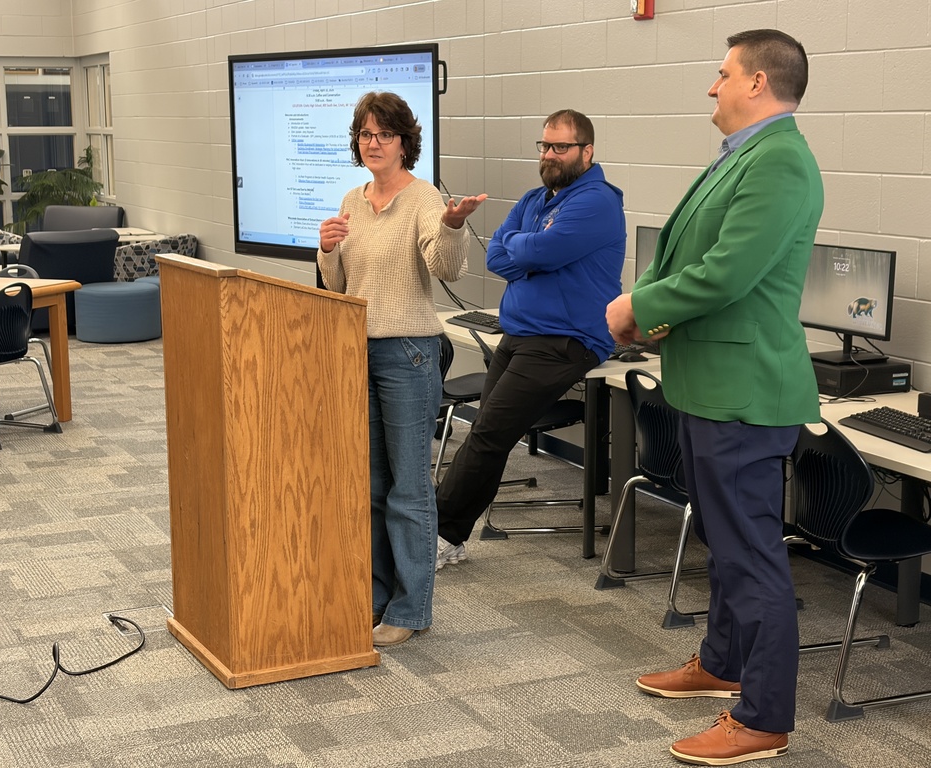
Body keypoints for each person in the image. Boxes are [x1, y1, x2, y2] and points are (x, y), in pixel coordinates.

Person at [606, 29, 823, 765]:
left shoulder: (782, 162)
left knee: (751, 557)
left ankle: (763, 716)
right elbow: (703, 264)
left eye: (723, 72)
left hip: (743, 394)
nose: (712, 85)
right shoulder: (745, 157)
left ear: (758, 83)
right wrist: (656, 320)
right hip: (708, 382)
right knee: (726, 546)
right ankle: (722, 662)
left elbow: (727, 274)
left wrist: (636, 306)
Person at [317, 91, 486, 648]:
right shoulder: (352, 197)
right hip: (356, 351)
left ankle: (412, 609)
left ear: (404, 142)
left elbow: (445, 268)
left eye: (384, 134)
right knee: (370, 485)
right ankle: (376, 596)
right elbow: (339, 289)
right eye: (366, 134)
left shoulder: (423, 198)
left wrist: (455, 224)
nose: (373, 143)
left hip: (409, 352)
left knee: (409, 487)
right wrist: (325, 252)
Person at [436, 109, 625, 569]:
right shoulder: (535, 199)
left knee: (485, 433)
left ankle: (435, 536)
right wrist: (529, 251)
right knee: (491, 437)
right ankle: (452, 537)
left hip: (565, 340)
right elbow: (497, 255)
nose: (550, 155)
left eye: (560, 147)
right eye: (544, 146)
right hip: (519, 335)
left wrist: (528, 250)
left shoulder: (597, 201)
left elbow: (540, 249)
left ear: (587, 151)